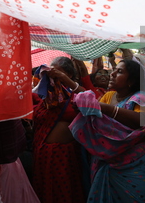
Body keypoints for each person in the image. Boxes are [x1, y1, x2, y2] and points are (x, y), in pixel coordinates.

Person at [69, 59, 145, 203]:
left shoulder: (140, 98)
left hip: (132, 166)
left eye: (119, 71)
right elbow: (96, 116)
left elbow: (142, 121)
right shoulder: (108, 96)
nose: (112, 74)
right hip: (105, 164)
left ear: (131, 81)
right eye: (113, 70)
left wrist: (105, 108)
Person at [32, 56, 85, 203]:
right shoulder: (46, 95)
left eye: (57, 72)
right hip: (42, 157)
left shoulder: (76, 96)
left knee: (63, 194)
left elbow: (89, 98)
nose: (52, 76)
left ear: (69, 75)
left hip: (63, 158)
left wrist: (64, 79)